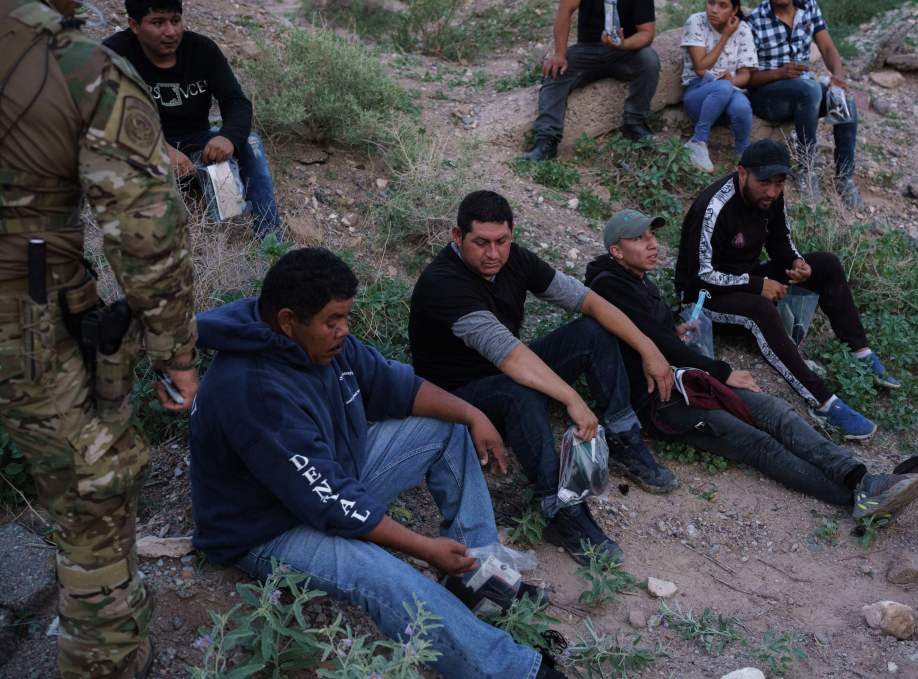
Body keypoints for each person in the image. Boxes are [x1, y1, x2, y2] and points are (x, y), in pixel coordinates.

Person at [188, 248, 569, 679]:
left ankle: (477, 577)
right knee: (383, 575)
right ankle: (512, 671)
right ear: (288, 320)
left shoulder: (323, 346)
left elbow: (398, 386)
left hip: (324, 480)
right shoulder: (252, 389)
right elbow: (331, 502)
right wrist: (425, 549)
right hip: (266, 528)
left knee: (444, 426)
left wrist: (472, 414)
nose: (343, 331)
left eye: (346, 317)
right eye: (332, 321)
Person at [0, 0, 199, 676]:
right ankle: (108, 663)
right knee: (94, 496)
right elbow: (146, 230)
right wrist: (177, 352)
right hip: (24, 322)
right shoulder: (76, 64)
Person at [586, 210, 918, 516]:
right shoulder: (609, 287)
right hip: (664, 403)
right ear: (616, 251)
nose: (652, 244)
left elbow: (651, 335)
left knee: (775, 411)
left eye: (652, 236)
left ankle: (863, 479)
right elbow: (656, 347)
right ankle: (853, 497)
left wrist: (675, 329)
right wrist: (723, 372)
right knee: (757, 443)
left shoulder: (636, 281)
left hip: (688, 381)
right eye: (639, 238)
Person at [409, 191, 678, 564]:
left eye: (501, 241)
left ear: (512, 234)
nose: (493, 253)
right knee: (519, 393)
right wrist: (572, 398)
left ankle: (622, 436)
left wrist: (649, 348)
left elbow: (588, 301)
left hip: (503, 370)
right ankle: (560, 509)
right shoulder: (444, 284)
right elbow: (510, 356)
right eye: (481, 243)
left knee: (592, 332)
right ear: (457, 237)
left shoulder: (513, 259)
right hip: (456, 396)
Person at [675, 139, 899, 440]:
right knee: (760, 308)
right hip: (703, 297)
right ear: (742, 173)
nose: (771, 191)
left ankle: (861, 352)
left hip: (745, 278)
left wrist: (796, 262)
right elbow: (698, 276)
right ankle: (822, 401)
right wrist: (758, 285)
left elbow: (779, 238)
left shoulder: (771, 198)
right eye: (764, 182)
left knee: (826, 264)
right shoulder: (714, 207)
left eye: (779, 184)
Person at [104, 0, 282, 239]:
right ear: (134, 25)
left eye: (176, 20)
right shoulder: (114, 54)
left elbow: (236, 101)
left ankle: (268, 242)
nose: (171, 31)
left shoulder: (202, 50)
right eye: (158, 23)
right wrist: (159, 148)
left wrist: (227, 137)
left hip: (196, 141)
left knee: (249, 142)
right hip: (138, 145)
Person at [745, 0, 863, 208]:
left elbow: (826, 47)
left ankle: (845, 177)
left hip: (804, 92)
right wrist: (779, 73)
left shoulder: (808, 6)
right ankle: (806, 170)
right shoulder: (755, 20)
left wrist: (837, 77)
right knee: (810, 90)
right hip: (768, 96)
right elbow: (748, 78)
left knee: (843, 97)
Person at [525, 0, 659, 161]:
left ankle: (635, 124)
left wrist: (624, 44)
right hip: (587, 50)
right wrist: (559, 54)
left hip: (624, 53)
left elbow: (647, 32)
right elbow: (565, 10)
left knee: (649, 60)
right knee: (556, 71)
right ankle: (546, 141)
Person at [679, 0, 758, 172]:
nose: (714, 10)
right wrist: (725, 37)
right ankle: (697, 141)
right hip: (698, 93)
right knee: (722, 87)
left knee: (742, 107)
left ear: (734, 10)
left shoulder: (743, 29)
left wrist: (731, 82)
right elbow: (701, 68)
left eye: (722, 6)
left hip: (728, 93)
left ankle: (743, 159)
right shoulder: (696, 21)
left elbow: (745, 76)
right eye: (711, 2)